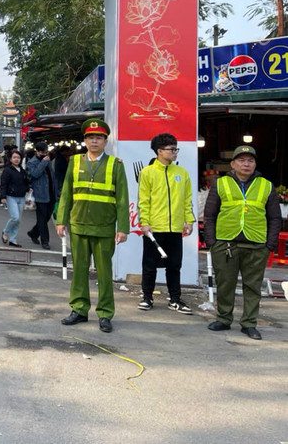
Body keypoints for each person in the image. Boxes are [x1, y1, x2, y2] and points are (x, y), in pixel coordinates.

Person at [56, 118, 129, 333]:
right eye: (90, 137)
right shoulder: (75, 162)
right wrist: (62, 220)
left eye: (98, 138)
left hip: (104, 227)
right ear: (85, 141)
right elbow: (66, 193)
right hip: (78, 225)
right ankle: (79, 310)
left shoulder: (116, 165)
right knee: (78, 270)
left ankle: (105, 313)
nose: (94, 141)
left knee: (104, 273)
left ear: (106, 141)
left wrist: (122, 227)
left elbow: (123, 199)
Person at [203, 145, 281, 340]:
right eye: (241, 160)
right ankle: (223, 318)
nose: (246, 164)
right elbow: (210, 215)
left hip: (256, 245)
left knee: (253, 286)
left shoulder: (266, 185)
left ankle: (249, 323)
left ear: (255, 164)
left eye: (250, 160)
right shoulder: (221, 184)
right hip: (226, 243)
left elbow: (275, 218)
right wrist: (212, 242)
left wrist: (269, 245)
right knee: (225, 284)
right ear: (233, 164)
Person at [137, 133, 196, 314]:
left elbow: (187, 199)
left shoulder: (181, 173)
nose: (175, 152)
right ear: (159, 151)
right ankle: (147, 297)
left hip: (175, 228)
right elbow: (143, 200)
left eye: (176, 148)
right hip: (154, 228)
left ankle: (175, 299)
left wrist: (189, 220)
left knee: (174, 265)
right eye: (171, 149)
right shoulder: (147, 172)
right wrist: (144, 223)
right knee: (149, 265)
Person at [26, 141, 57, 250]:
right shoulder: (31, 162)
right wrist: (43, 162)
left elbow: (52, 176)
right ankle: (45, 241)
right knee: (42, 218)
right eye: (42, 152)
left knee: (47, 216)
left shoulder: (48, 161)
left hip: (51, 193)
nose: (45, 154)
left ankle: (33, 233)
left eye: (46, 152)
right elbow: (35, 174)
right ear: (37, 152)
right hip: (40, 193)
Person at [0, 149, 27, 247]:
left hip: (21, 197)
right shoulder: (7, 170)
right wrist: (2, 197)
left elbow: (25, 183)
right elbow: (3, 184)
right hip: (11, 196)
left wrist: (28, 188)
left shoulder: (22, 171)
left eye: (18, 157)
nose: (16, 159)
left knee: (18, 220)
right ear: (10, 159)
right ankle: (5, 232)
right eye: (14, 157)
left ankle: (13, 239)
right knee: (15, 217)